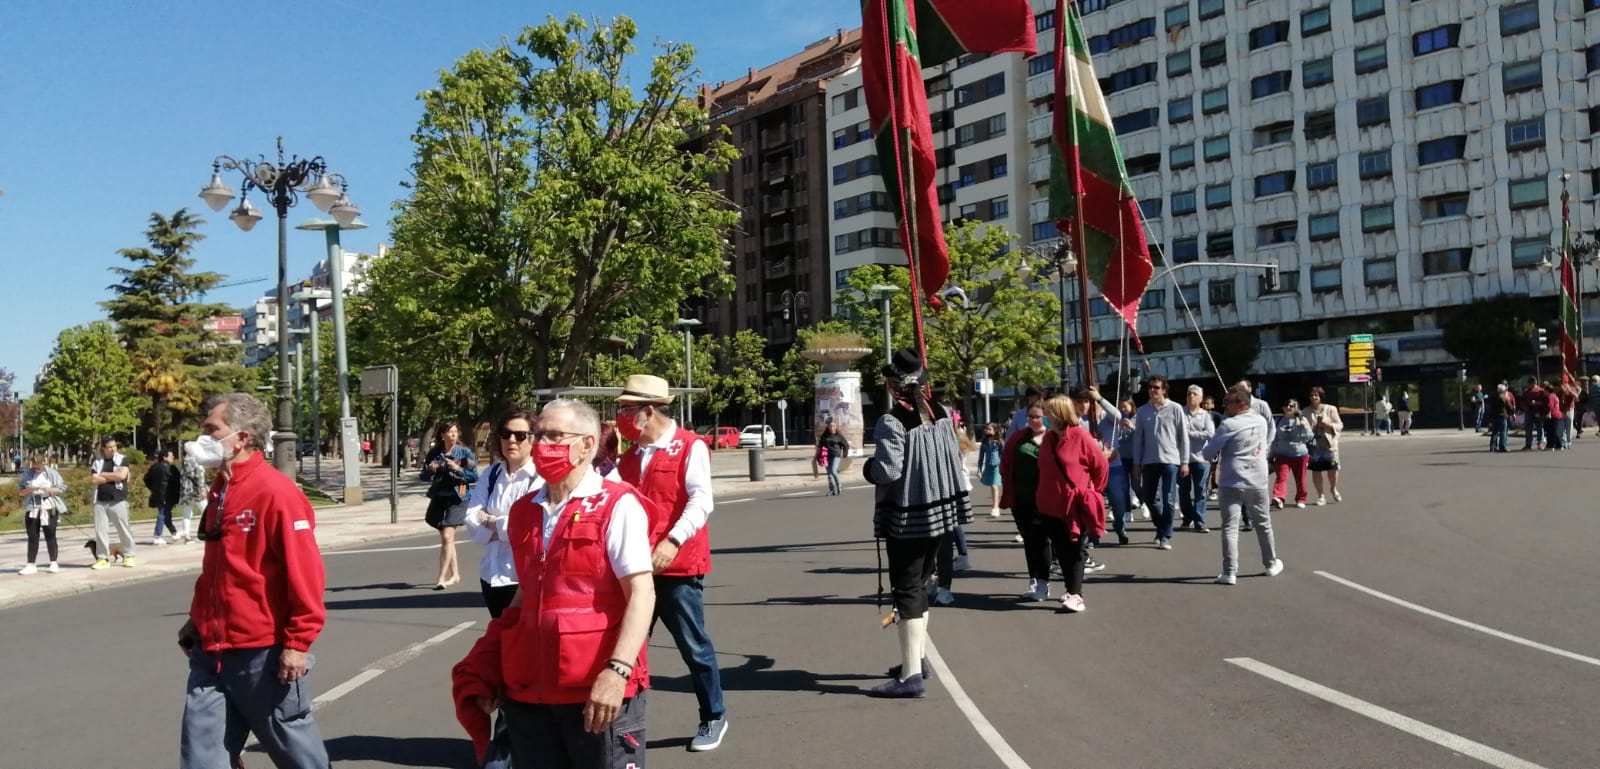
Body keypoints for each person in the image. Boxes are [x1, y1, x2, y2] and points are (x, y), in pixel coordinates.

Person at [451, 399, 654, 769]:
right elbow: (524, 595)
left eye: (555, 435)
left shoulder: (616, 505)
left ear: (587, 445)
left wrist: (618, 670)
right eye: (539, 434)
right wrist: (489, 663)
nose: (542, 445)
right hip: (530, 693)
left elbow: (641, 593)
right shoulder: (525, 510)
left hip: (596, 693)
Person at [177, 393, 329, 769]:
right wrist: (198, 619)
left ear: (241, 438)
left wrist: (297, 642)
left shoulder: (275, 492)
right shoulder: (221, 489)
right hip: (210, 652)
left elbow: (305, 572)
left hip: (262, 654)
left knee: (296, 753)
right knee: (202, 757)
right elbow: (220, 566)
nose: (202, 437)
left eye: (212, 429)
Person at [613, 375, 728, 750]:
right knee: (626, 649)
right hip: (637, 570)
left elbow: (701, 501)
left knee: (694, 647)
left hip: (678, 568)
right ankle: (623, 725)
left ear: (649, 411)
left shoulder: (689, 446)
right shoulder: (629, 457)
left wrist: (673, 540)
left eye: (627, 410)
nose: (622, 417)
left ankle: (714, 716)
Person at [865, 350, 972, 698]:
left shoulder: (892, 421)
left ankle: (910, 675)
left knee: (907, 589)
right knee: (922, 584)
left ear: (895, 385)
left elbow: (888, 470)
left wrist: (869, 468)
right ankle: (919, 658)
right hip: (942, 514)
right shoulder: (940, 414)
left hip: (909, 517)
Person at [464, 409, 542, 619]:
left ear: (533, 439)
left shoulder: (540, 477)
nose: (512, 441)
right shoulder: (492, 474)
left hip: (521, 579)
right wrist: (505, 528)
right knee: (501, 644)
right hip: (491, 575)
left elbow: (532, 528)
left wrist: (490, 522)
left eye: (520, 435)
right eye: (506, 434)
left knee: (522, 645)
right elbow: (471, 518)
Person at [1202, 387, 1283, 585]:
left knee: (1230, 527)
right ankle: (1270, 563)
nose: (1224, 405)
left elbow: (1208, 453)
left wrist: (1212, 446)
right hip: (1256, 480)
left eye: (1228, 402)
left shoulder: (1228, 424)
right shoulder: (1260, 420)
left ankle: (1230, 572)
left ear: (1242, 404)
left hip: (1233, 480)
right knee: (1263, 524)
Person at [1036, 394, 1108, 613]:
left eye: (1048, 411)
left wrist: (1091, 492)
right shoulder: (1048, 438)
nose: (1045, 415)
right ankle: (1070, 590)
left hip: (1074, 505)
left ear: (1059, 413)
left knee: (1074, 549)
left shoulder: (1081, 436)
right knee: (1061, 549)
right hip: (1050, 504)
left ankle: (1076, 595)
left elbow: (1101, 467)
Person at [999, 404, 1052, 600]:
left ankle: (1044, 583)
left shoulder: (1053, 437)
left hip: (1046, 499)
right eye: (1030, 417)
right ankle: (1034, 580)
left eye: (1037, 417)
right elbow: (1005, 462)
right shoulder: (1018, 437)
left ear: (1046, 418)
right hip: (1021, 499)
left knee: (1043, 540)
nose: (1033, 420)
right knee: (1030, 541)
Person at [1131, 375, 1189, 551]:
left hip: (1170, 460)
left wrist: (1185, 461)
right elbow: (1138, 439)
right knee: (1148, 497)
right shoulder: (1142, 411)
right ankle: (1161, 527)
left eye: (1156, 387)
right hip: (1149, 461)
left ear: (1164, 390)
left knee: (1169, 499)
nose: (1152, 390)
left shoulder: (1175, 408)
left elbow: (1183, 437)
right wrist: (1136, 463)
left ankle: (1165, 536)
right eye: (1150, 387)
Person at [421, 421, 479, 590]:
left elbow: (474, 476)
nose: (453, 435)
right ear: (442, 435)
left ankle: (441, 578)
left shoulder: (465, 453)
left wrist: (458, 469)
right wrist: (431, 470)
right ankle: (455, 575)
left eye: (455, 432)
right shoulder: (434, 453)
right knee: (448, 540)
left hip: (459, 497)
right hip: (439, 497)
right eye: (450, 432)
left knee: (447, 537)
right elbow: (423, 476)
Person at [89, 436, 136, 569]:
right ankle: (103, 558)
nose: (112, 449)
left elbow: (121, 476)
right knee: (101, 530)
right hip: (100, 500)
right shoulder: (97, 462)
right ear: (103, 448)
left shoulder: (122, 459)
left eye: (114, 446)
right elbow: (94, 479)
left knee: (123, 528)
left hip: (118, 499)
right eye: (109, 447)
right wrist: (112, 475)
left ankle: (129, 555)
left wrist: (104, 474)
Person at [18, 454, 67, 574]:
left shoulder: (52, 473)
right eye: (35, 467)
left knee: (50, 535)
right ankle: (31, 564)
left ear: (43, 464)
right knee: (32, 536)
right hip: (33, 507)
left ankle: (53, 562)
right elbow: (21, 492)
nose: (37, 470)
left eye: (39, 467)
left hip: (49, 506)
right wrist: (31, 489)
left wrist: (50, 490)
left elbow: (62, 488)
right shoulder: (27, 474)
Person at [1180, 385, 1215, 533]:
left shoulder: (1205, 415)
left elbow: (1210, 434)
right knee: (1183, 491)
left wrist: (1190, 434)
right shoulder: (1180, 412)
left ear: (1201, 398)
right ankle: (1187, 516)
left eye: (1194, 394)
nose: (1191, 397)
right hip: (1183, 459)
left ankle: (1199, 520)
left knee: (1201, 491)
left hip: (1201, 458)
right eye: (1189, 394)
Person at [1269, 399, 1315, 509]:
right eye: (1286, 405)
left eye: (1292, 405)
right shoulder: (1279, 420)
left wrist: (1304, 429)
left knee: (1300, 479)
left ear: (1296, 408)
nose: (1289, 407)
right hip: (1282, 454)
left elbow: (1309, 438)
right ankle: (1279, 498)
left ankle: (1301, 498)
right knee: (1281, 477)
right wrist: (1270, 456)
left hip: (1300, 454)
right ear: (1283, 408)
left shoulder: (1302, 419)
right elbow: (1275, 439)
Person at [1305, 387, 1343, 505]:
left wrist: (1328, 424)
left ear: (1321, 396)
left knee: (1332, 469)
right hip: (1314, 446)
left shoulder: (1330, 409)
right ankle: (1321, 496)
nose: (1314, 397)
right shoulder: (1306, 411)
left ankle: (1333, 488)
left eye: (1316, 395)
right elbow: (1303, 428)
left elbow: (1340, 425)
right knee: (1316, 471)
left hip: (1329, 444)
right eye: (1312, 395)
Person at [144, 448, 182, 545]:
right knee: (162, 514)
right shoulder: (171, 468)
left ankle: (174, 532)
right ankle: (157, 536)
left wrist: (153, 488)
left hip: (158, 494)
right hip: (167, 494)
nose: (173, 457)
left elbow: (146, 479)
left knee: (166, 514)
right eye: (171, 455)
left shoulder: (154, 467)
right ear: (165, 457)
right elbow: (177, 481)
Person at [177, 445, 208, 543]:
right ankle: (206, 531)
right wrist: (203, 488)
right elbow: (197, 477)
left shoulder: (185, 461)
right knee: (206, 510)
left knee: (187, 513)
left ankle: (187, 535)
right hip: (195, 491)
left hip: (186, 490)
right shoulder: (192, 461)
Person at [977, 424, 1002, 516]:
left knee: (994, 485)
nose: (987, 430)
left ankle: (996, 507)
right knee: (992, 486)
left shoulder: (998, 442)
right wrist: (979, 469)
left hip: (997, 466)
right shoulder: (984, 443)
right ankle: (994, 505)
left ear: (995, 431)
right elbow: (981, 457)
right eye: (986, 429)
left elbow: (1003, 455)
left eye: (989, 429)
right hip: (988, 466)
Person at [819, 421, 850, 496]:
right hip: (826, 456)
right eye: (830, 426)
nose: (832, 427)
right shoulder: (825, 436)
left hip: (836, 455)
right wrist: (819, 456)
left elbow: (846, 445)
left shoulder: (838, 436)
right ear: (828, 427)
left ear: (835, 427)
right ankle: (832, 490)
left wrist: (844, 454)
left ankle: (839, 485)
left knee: (833, 470)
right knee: (829, 474)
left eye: (833, 426)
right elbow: (820, 445)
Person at [1487, 384, 1513, 452]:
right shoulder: (1503, 397)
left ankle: (1492, 446)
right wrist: (1511, 412)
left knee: (1494, 432)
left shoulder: (1491, 397)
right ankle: (1502, 446)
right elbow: (1509, 407)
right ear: (1503, 390)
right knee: (1503, 432)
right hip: (1502, 416)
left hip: (1494, 416)